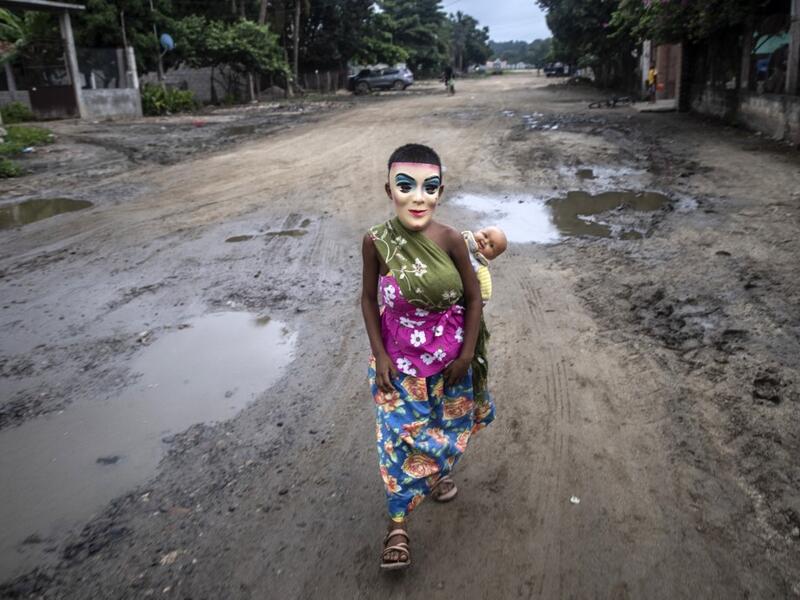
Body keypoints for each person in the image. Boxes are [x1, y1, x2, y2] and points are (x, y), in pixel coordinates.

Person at [361, 143, 495, 570]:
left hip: (450, 362)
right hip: (398, 367)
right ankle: (397, 525)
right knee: (397, 441)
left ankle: (435, 473)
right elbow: (366, 300)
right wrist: (379, 354)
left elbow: (473, 299)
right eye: (406, 186)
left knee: (442, 423)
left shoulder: (451, 240)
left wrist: (467, 353)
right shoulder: (377, 242)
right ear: (389, 189)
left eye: (429, 187)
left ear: (440, 192)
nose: (418, 197)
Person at [462, 226, 507, 304]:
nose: (485, 241)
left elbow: (486, 290)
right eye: (485, 235)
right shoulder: (462, 238)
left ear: (492, 257)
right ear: (478, 231)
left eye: (491, 245)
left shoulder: (480, 268)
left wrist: (481, 300)